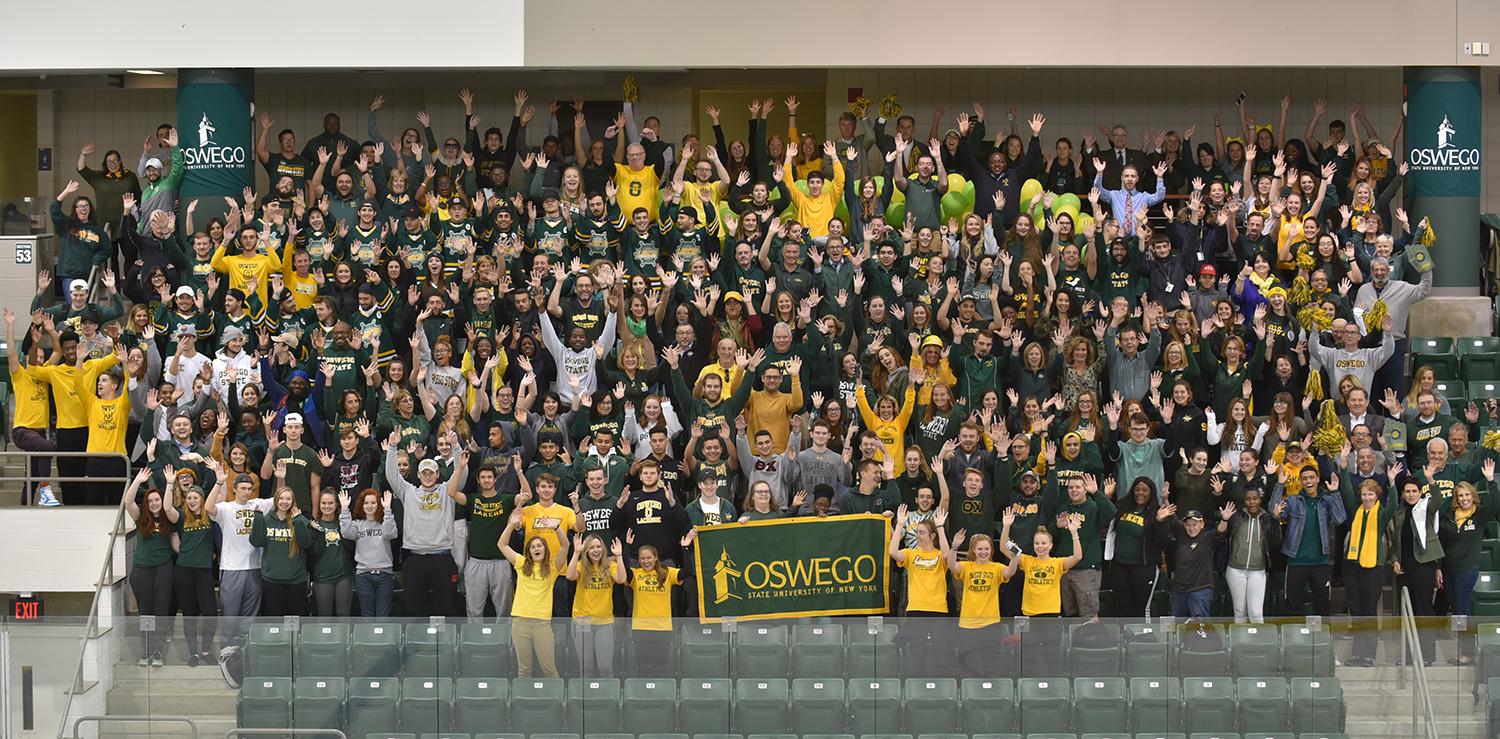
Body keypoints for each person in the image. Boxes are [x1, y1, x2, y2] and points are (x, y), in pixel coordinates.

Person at [383, 429, 461, 616]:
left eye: (431, 473)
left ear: (437, 475)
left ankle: (446, 644)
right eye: (424, 473)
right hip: (415, 558)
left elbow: (461, 472)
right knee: (414, 608)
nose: (427, 476)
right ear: (418, 475)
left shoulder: (447, 491)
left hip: (442, 557)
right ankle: (415, 645)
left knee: (447, 607)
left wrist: (456, 447)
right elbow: (392, 476)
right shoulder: (408, 492)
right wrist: (392, 447)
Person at [1272, 465, 1349, 617]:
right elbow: (1274, 510)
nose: (1309, 481)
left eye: (1312, 477)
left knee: (1322, 606)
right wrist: (1280, 485)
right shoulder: (1293, 501)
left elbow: (1340, 518)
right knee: (1293, 606)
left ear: (1318, 479)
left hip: (1320, 562)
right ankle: (1294, 640)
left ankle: (1322, 640)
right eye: (1305, 478)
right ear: (1301, 481)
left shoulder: (1326, 500)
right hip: (1296, 562)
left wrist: (1334, 492)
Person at [500, 508, 568, 678]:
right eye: (533, 547)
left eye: (539, 546)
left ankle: (556, 703)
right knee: (524, 669)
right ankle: (524, 703)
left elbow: (565, 545)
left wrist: (556, 527)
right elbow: (502, 545)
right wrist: (512, 525)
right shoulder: (522, 564)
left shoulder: (553, 568)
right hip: (519, 622)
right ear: (528, 551)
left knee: (549, 669)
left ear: (545, 549)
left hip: (542, 625)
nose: (536, 548)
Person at [946, 526, 1018, 678]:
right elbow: (952, 565)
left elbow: (1010, 572)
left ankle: (989, 695)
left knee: (990, 663)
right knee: (970, 664)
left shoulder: (996, 567)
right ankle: (972, 696)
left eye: (986, 548)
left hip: (990, 624)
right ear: (973, 550)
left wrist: (1014, 557)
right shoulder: (967, 566)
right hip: (968, 625)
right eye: (980, 549)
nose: (983, 552)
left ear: (991, 550)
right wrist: (954, 547)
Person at [889, 505, 953, 674]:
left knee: (942, 656)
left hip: (938, 610)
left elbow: (948, 556)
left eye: (922, 532)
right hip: (916, 610)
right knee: (917, 656)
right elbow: (893, 551)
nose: (918, 535)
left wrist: (940, 527)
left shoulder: (940, 555)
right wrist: (900, 524)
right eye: (917, 531)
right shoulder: (911, 554)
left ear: (932, 536)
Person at [123, 468, 178, 666]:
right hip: (142, 570)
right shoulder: (141, 518)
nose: (155, 503)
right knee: (145, 612)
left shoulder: (169, 518)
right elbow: (128, 502)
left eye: (158, 500)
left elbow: (176, 544)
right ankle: (146, 651)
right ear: (147, 503)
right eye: (151, 500)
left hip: (163, 569)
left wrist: (170, 484)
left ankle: (158, 652)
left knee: (161, 611)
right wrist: (137, 480)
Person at [1389, 475, 1442, 666]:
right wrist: (1394, 560)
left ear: (1420, 493)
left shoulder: (1426, 509)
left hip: (1424, 566)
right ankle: (1409, 655)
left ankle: (1427, 655)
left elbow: (1437, 500)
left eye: (1414, 491)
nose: (1411, 494)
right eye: (1407, 491)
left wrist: (1430, 480)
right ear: (1403, 494)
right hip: (1405, 569)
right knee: (1407, 614)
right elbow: (1396, 543)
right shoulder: (1399, 514)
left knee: (1424, 610)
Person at [1341, 478, 1391, 667]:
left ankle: (1369, 654)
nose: (1367, 498)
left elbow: (1393, 504)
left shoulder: (1381, 514)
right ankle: (1357, 654)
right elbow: (1346, 492)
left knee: (1369, 611)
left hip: (1373, 567)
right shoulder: (1357, 510)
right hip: (1352, 564)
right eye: (1364, 494)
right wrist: (1344, 468)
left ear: (1377, 495)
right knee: (1356, 611)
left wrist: (1392, 483)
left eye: (1371, 494)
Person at [626, 532, 691, 677]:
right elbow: (624, 571)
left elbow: (687, 572)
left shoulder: (667, 573)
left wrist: (685, 549)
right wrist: (627, 547)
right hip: (641, 628)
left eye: (649, 557)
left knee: (660, 667)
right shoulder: (635, 574)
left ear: (656, 558)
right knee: (643, 667)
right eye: (642, 558)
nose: (646, 561)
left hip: (663, 628)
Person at [999, 508, 1083, 617]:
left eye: (1043, 543)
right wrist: (1006, 526)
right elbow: (1003, 548)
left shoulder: (1057, 563)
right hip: (1029, 613)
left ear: (1051, 545)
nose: (1040, 546)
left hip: (1051, 612)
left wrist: (1074, 533)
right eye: (1037, 543)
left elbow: (1077, 557)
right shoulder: (1026, 560)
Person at [1154, 504, 1233, 618]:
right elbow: (1172, 515)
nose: (1191, 528)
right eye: (1188, 525)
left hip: (1200, 591)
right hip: (1178, 592)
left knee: (1199, 629)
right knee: (1177, 626)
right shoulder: (1181, 534)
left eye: (1195, 524)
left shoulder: (1207, 538)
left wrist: (1224, 519)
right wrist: (1165, 499)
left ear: (1202, 524)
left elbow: (1219, 532)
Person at [566, 532, 628, 678]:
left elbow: (621, 579)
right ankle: (587, 699)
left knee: (605, 667)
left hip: (604, 621)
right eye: (592, 547)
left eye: (599, 547)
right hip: (582, 621)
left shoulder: (609, 565)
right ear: (586, 551)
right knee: (586, 667)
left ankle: (607, 699)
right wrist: (576, 553)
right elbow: (570, 576)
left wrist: (619, 556)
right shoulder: (581, 565)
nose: (596, 550)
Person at [1224, 486, 1283, 624]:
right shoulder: (1236, 517)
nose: (1252, 502)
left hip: (1257, 571)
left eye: (1255, 499)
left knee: (1256, 613)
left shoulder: (1267, 519)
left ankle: (1257, 643)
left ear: (1260, 500)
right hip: (1235, 569)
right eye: (1248, 499)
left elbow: (1276, 543)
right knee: (1239, 611)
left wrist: (1275, 520)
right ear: (1244, 501)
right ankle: (1240, 643)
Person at [251, 487, 313, 617]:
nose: (284, 502)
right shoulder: (266, 519)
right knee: (274, 618)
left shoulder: (300, 519)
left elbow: (306, 543)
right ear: (276, 500)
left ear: (293, 501)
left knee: (295, 619)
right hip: (272, 580)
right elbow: (257, 542)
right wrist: (257, 519)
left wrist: (298, 521)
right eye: (281, 498)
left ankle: (294, 638)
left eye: (288, 499)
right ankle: (276, 639)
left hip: (296, 580)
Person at [338, 488, 399, 618]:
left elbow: (391, 534)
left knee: (384, 616)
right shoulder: (357, 524)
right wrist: (344, 510)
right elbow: (347, 533)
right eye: (366, 503)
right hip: (364, 575)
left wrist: (388, 510)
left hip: (385, 575)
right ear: (362, 505)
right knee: (367, 615)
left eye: (373, 503)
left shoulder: (385, 522)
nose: (370, 506)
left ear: (379, 504)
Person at [307, 490, 354, 617]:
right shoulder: (314, 525)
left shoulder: (342, 522)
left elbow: (350, 547)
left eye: (330, 503)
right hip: (322, 578)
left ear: (336, 504)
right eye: (323, 503)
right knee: (324, 615)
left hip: (343, 575)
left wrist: (343, 526)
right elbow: (315, 552)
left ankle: (342, 638)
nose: (327, 506)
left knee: (343, 614)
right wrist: (320, 533)